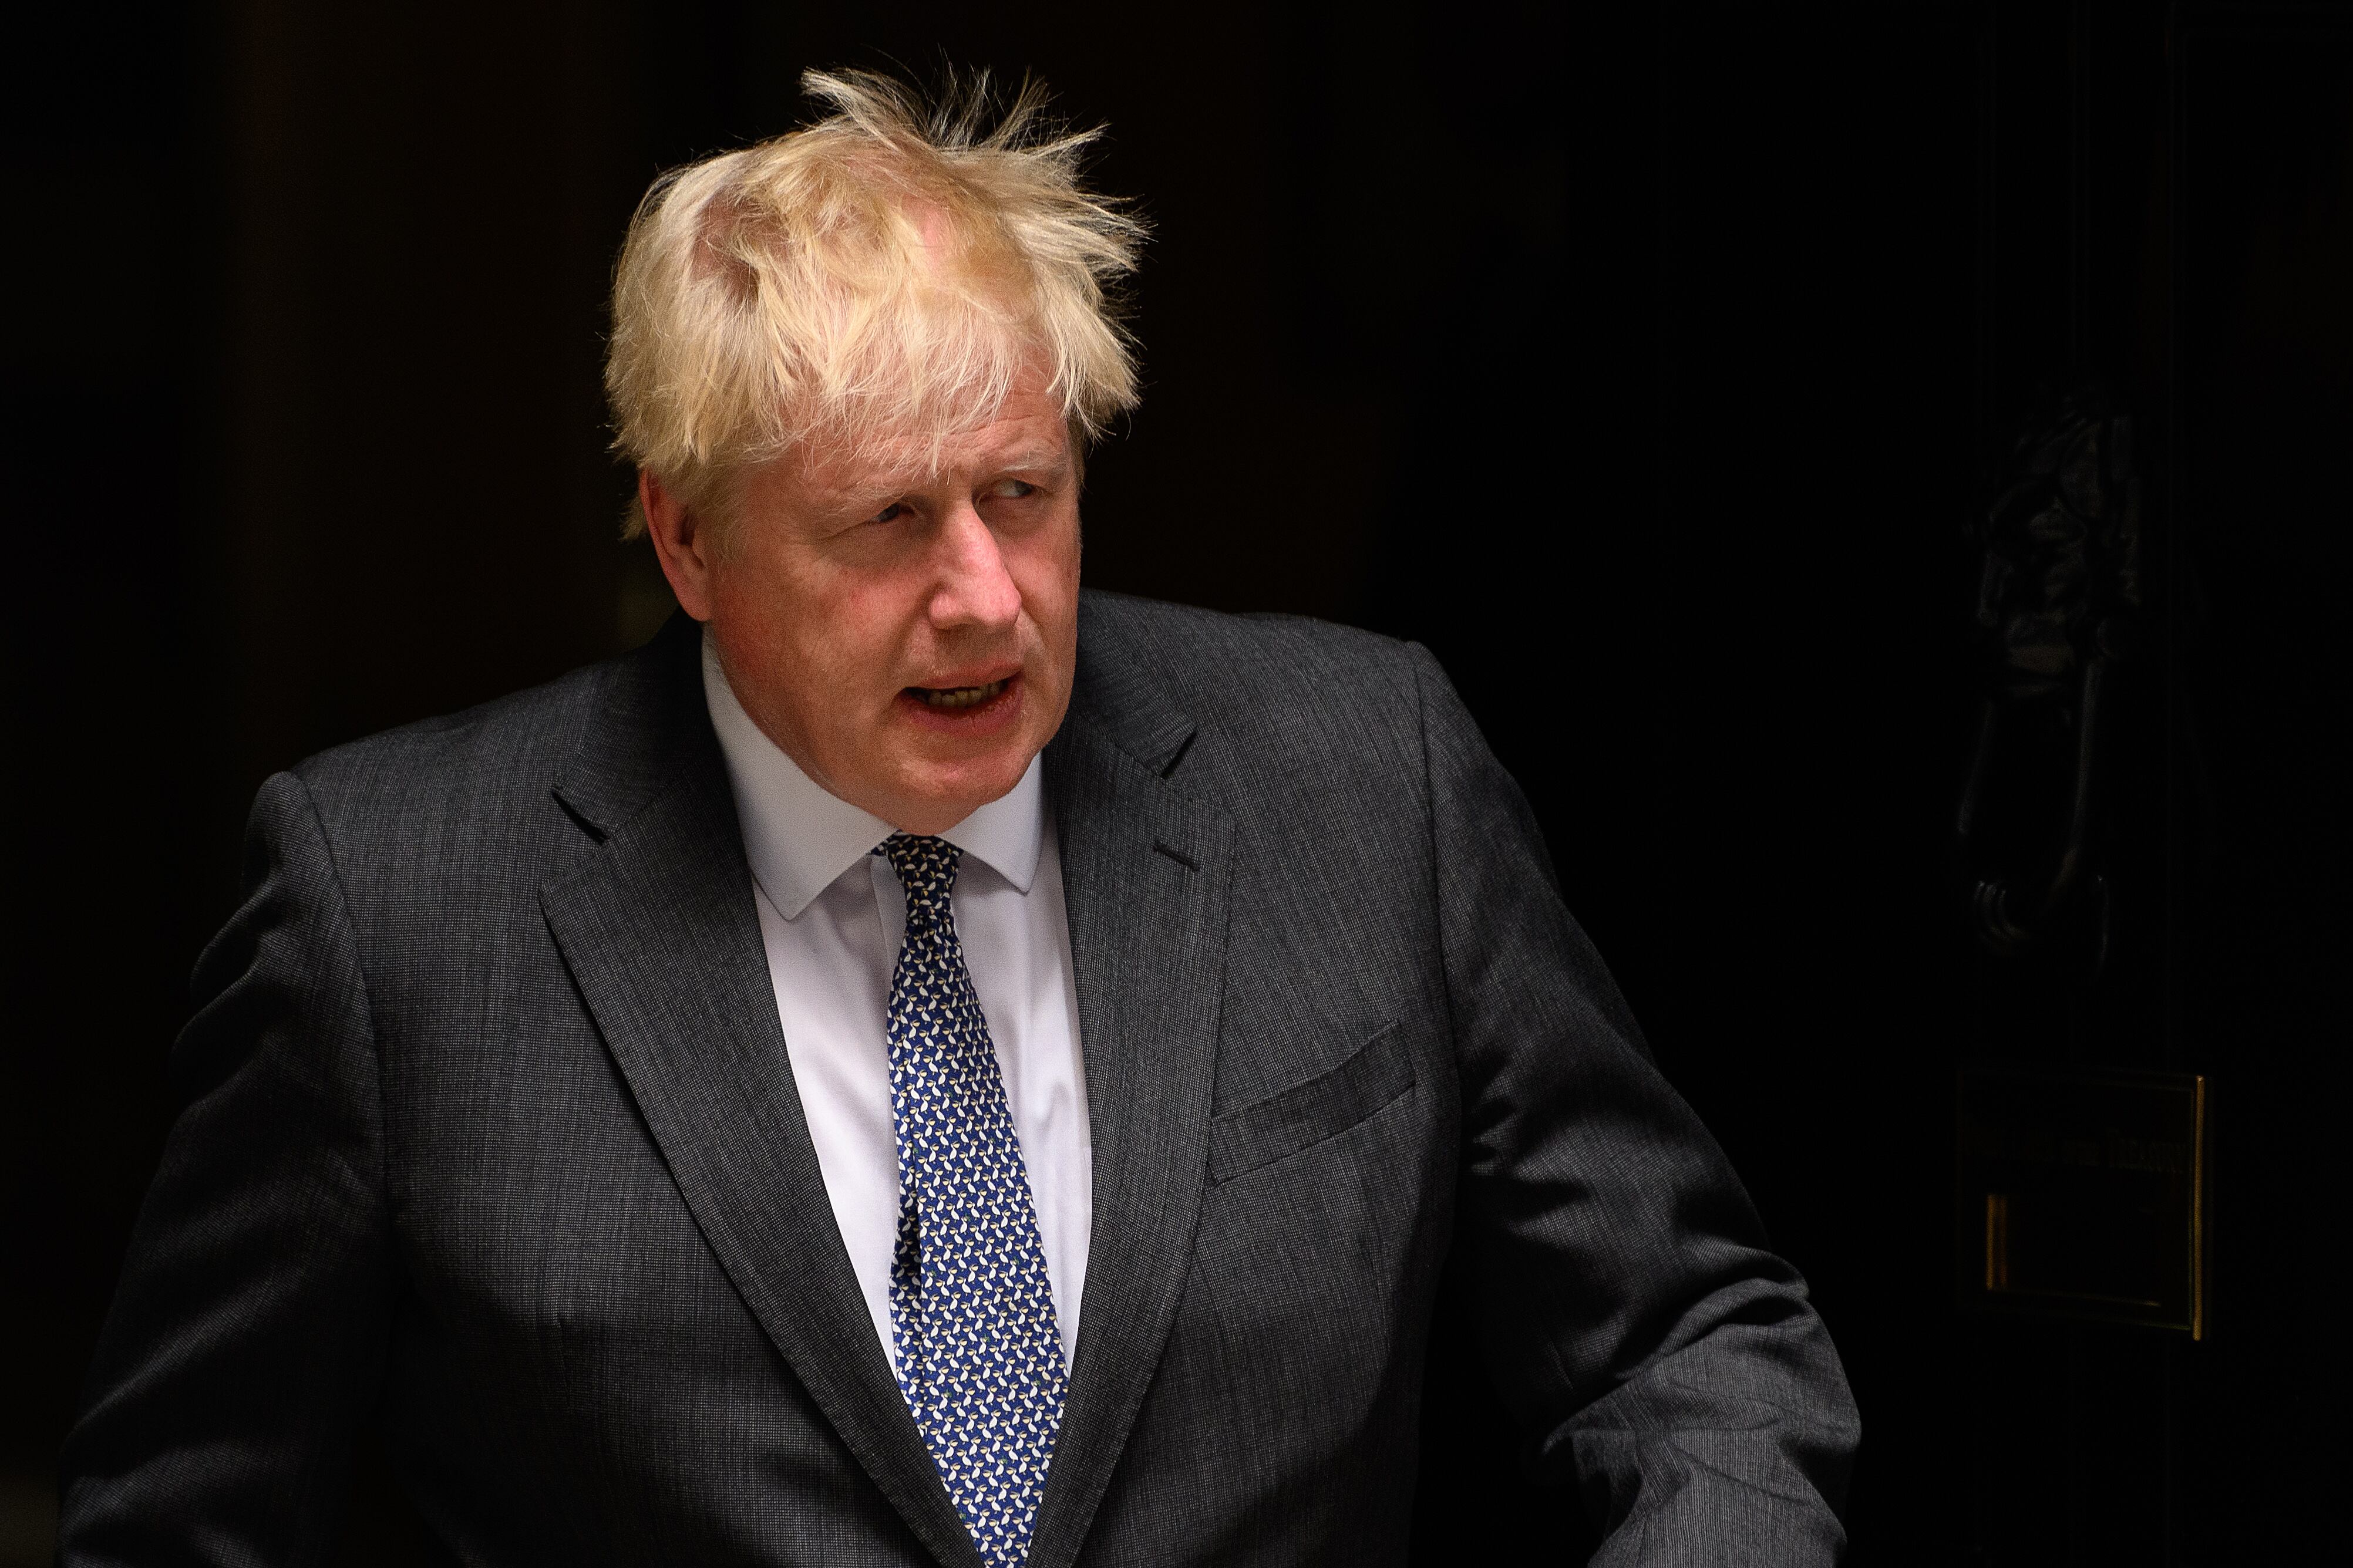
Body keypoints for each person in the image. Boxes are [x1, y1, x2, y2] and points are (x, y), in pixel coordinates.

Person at [59, 69, 1857, 1567]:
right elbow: (182, 1527)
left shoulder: (1361, 776)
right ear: (690, 539)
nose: (989, 594)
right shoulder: (393, 916)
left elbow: (1690, 1344)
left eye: (1024, 492)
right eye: (891, 523)